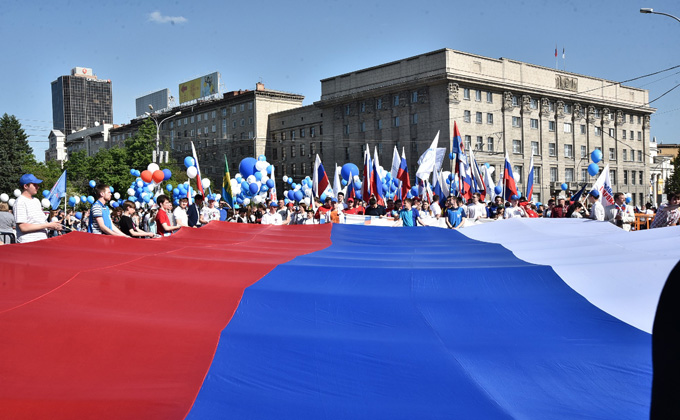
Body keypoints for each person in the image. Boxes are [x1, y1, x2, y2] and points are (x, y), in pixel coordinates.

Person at [13, 174, 62, 243]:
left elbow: (40, 223)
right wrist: (48, 225)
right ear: (25, 186)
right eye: (34, 185)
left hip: (42, 242)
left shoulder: (36, 200)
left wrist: (53, 226)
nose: (38, 187)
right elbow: (23, 227)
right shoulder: (20, 202)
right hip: (28, 243)